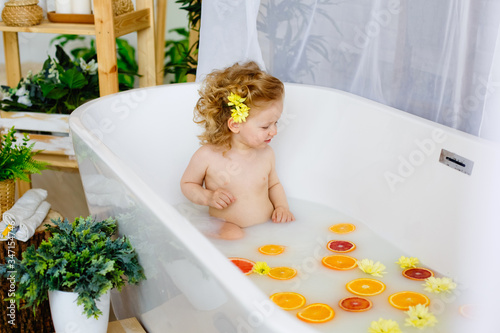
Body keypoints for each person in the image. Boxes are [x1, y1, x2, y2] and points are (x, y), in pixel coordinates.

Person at [180, 61, 295, 239]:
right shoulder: (208, 156)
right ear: (235, 125)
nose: (274, 131)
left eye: (276, 122)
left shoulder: (266, 153)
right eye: (265, 126)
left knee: (285, 238)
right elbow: (187, 185)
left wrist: (282, 207)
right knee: (233, 238)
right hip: (226, 225)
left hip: (267, 226)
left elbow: (274, 185)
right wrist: (208, 197)